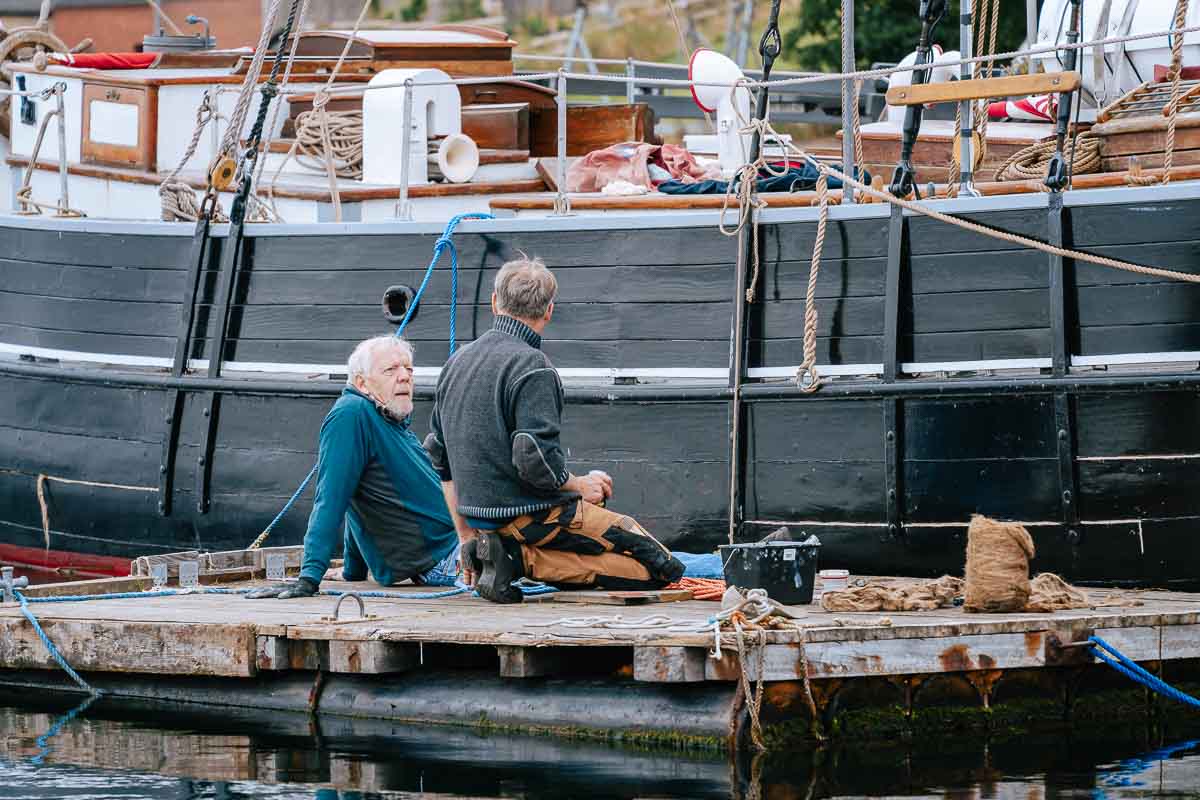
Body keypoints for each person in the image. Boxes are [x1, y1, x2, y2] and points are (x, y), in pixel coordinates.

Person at [424, 255, 685, 603]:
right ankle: (519, 560)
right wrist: (581, 485)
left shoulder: (456, 362)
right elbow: (533, 461)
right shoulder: (533, 367)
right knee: (660, 568)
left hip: (482, 518)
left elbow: (439, 459)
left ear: (494, 303)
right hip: (531, 516)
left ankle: (510, 556)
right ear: (548, 311)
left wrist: (466, 536)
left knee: (624, 553)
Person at [248, 335, 460, 599]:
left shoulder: (387, 419)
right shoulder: (351, 415)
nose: (405, 376)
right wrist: (309, 578)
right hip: (446, 559)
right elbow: (332, 498)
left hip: (455, 547)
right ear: (362, 383)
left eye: (409, 369)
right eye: (391, 370)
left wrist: (353, 570)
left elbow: (359, 497)